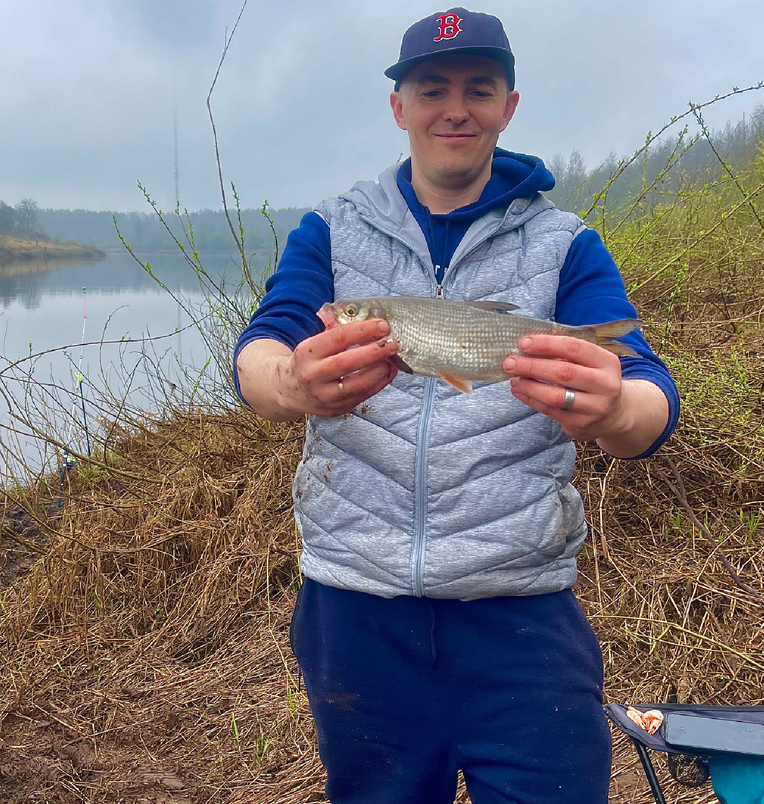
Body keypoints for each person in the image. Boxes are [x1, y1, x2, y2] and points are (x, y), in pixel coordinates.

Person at [234, 8, 679, 803]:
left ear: (509, 107)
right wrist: (293, 384)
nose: (455, 108)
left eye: (479, 88)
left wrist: (614, 411)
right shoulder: (332, 229)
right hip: (354, 614)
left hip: (522, 617)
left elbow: (650, 394)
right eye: (432, 88)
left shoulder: (565, 243)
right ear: (399, 106)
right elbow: (259, 353)